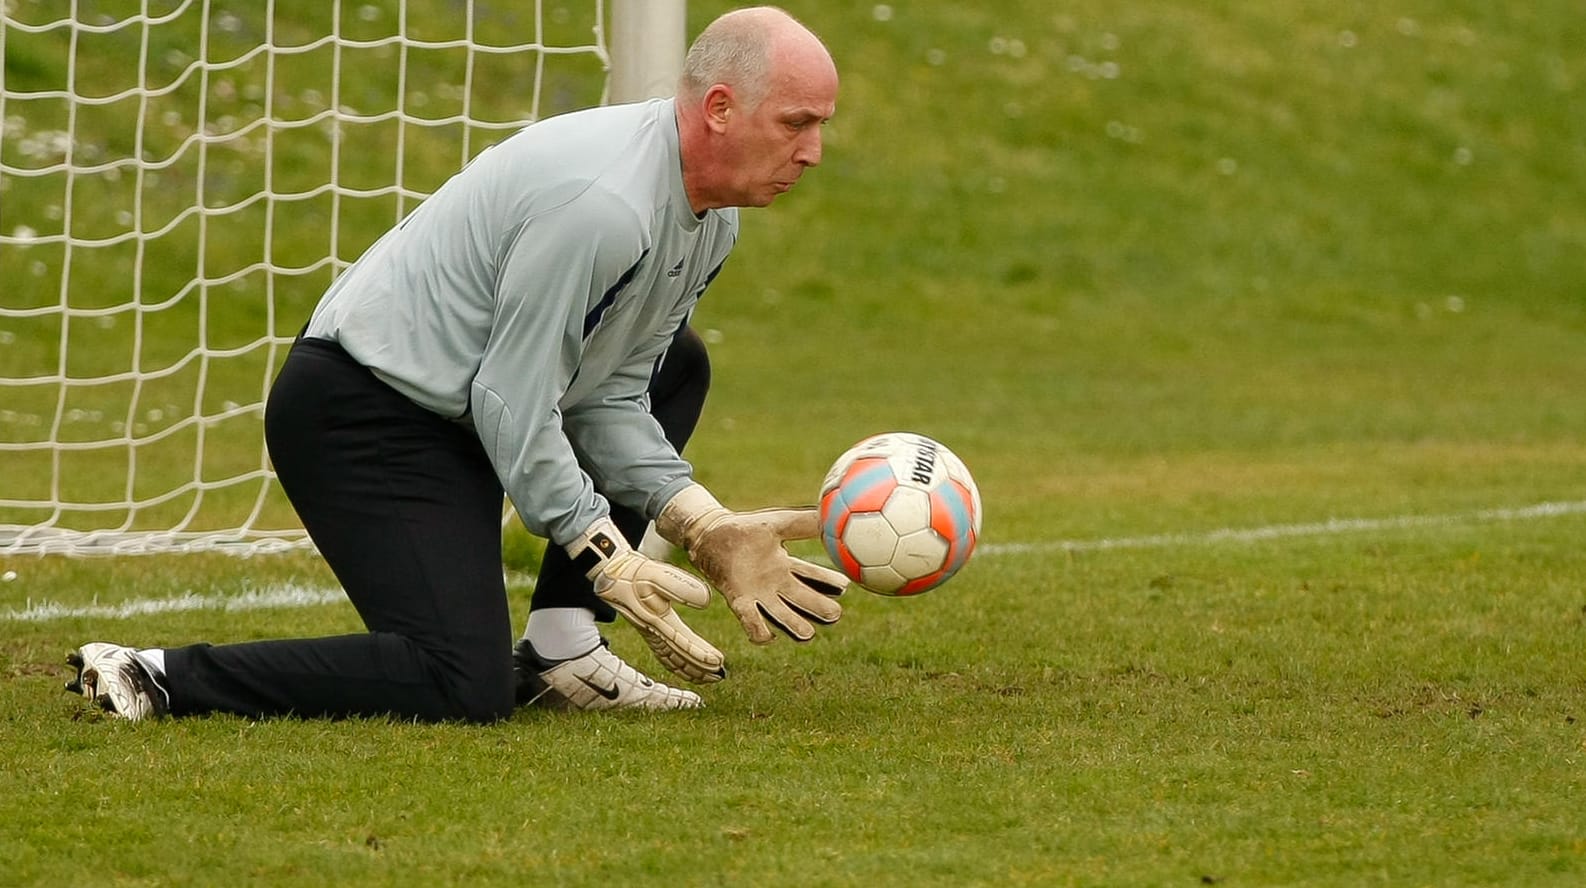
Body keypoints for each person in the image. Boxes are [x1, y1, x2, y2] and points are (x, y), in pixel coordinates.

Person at [63, 5, 850, 722]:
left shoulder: (712, 221)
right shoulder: (603, 208)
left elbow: (608, 396)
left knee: (678, 366)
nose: (812, 152)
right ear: (719, 109)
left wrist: (701, 523)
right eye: (796, 123)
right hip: (362, 414)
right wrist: (606, 553)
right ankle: (156, 674)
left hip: (462, 411)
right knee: (461, 683)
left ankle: (564, 651)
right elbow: (512, 400)